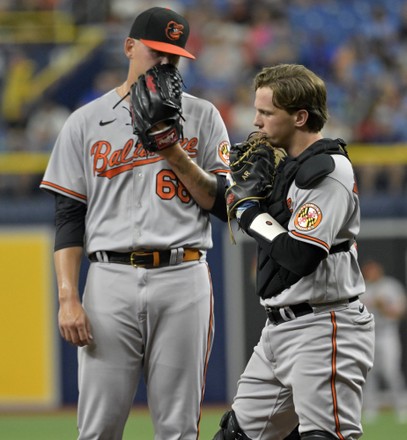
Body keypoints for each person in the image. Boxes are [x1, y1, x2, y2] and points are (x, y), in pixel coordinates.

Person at [40, 7, 230, 440]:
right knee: (99, 428)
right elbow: (69, 217)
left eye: (173, 57)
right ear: (129, 47)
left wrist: (172, 149)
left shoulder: (202, 116)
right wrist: (68, 298)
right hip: (111, 279)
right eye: (155, 52)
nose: (165, 64)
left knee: (178, 429)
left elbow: (222, 205)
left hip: (184, 276)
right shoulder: (85, 122)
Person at [213, 64, 375, 440]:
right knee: (235, 435)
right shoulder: (285, 166)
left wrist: (248, 211)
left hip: (325, 325)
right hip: (280, 330)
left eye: (267, 113)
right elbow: (230, 206)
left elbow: (300, 255)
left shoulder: (328, 170)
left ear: (300, 116)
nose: (256, 121)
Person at [361, 259, 407, 422]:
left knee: (391, 370)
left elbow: (399, 312)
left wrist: (383, 306)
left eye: (373, 270)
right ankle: (371, 408)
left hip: (388, 332)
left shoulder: (391, 286)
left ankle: (402, 406)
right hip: (368, 333)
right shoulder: (362, 287)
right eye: (368, 271)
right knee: (369, 372)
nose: (371, 274)